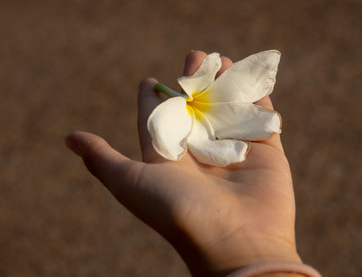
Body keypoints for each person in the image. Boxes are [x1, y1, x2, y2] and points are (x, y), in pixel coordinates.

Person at [65, 51, 321, 277]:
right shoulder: (177, 112)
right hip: (192, 108)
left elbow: (261, 120)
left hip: (196, 107)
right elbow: (168, 132)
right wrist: (257, 252)